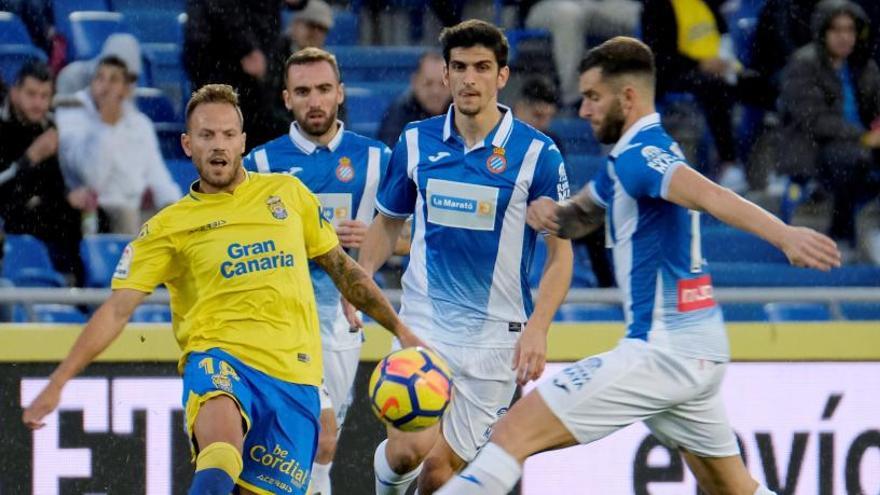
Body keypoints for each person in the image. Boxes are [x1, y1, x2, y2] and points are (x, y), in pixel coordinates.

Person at [437, 36, 841, 495]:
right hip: (697, 348)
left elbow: (711, 195)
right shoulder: (628, 159)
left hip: (662, 350)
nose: (584, 110)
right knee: (735, 490)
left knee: (512, 434)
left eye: (592, 97)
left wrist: (784, 235)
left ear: (626, 97)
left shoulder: (644, 157)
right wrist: (553, 215)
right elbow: (585, 213)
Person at [22, 83, 423, 495]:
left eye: (228, 135)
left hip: (293, 379)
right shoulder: (167, 228)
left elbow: (344, 269)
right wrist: (58, 382)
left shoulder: (288, 195)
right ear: (187, 144)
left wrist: (402, 331)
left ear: (243, 142)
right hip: (220, 361)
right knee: (221, 448)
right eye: (206, 135)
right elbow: (116, 310)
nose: (218, 146)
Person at [359, 20, 574, 495]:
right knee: (406, 454)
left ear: (502, 76)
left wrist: (539, 326)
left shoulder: (538, 155)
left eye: (481, 67)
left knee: (439, 474)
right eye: (459, 67)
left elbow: (561, 256)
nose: (468, 79)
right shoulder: (416, 141)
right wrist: (360, 281)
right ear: (447, 72)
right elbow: (387, 223)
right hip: (424, 326)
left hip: (497, 340)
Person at [243, 47, 390, 495]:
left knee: (322, 448)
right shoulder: (261, 166)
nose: (315, 100)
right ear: (287, 98)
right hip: (283, 323)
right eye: (303, 91)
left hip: (342, 322)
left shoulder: (378, 160)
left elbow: (417, 238)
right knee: (317, 434)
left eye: (324, 89)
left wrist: (374, 239)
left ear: (340, 93)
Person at [778, 0, 880, 253]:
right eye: (836, 30)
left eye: (849, 30)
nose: (844, 37)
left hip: (861, 143)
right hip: (813, 149)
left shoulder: (864, 67)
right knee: (851, 160)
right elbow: (814, 120)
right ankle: (840, 236)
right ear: (822, 32)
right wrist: (865, 137)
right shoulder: (803, 64)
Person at [56, 55, 181, 235]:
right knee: (125, 216)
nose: (105, 86)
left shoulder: (140, 124)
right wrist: (106, 126)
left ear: (126, 89)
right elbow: (92, 180)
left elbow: (157, 175)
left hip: (137, 211)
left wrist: (174, 209)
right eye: (100, 78)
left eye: (113, 80)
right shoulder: (73, 117)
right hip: (97, 212)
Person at [641, 0, 747, 193]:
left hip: (717, 68)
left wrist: (726, 63)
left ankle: (780, 173)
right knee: (714, 88)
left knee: (761, 83)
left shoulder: (708, 3)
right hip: (676, 73)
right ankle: (728, 162)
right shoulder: (658, 6)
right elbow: (659, 56)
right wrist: (699, 64)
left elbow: (723, 36)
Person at [0, 61, 86, 286]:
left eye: (44, 96)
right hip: (9, 208)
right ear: (14, 92)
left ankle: (78, 288)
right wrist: (30, 158)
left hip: (41, 209)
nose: (38, 103)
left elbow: (52, 183)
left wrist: (70, 196)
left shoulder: (48, 125)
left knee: (83, 215)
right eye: (31, 94)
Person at [184, 0, 294, 151]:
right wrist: (247, 48)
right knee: (225, 126)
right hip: (222, 57)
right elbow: (220, 7)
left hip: (257, 54)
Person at [525, 0, 642, 105]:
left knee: (640, 13)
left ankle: (644, 94)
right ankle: (575, 97)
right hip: (550, 5)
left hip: (599, 4)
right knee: (568, 13)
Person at [378, 51, 450, 147]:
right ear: (415, 82)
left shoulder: (463, 110)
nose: (435, 91)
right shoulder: (399, 113)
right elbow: (392, 156)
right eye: (428, 83)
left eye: (443, 84)